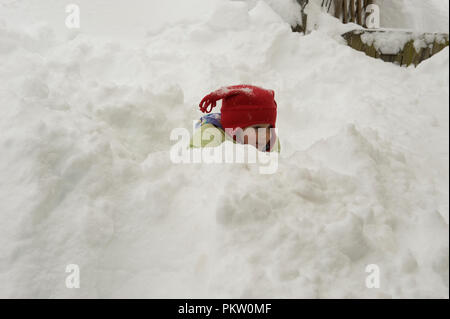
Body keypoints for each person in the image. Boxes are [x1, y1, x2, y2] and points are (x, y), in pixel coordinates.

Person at [190, 84, 280, 152]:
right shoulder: (209, 137)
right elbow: (195, 168)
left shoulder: (270, 142)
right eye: (257, 128)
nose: (264, 135)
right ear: (235, 128)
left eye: (269, 128)